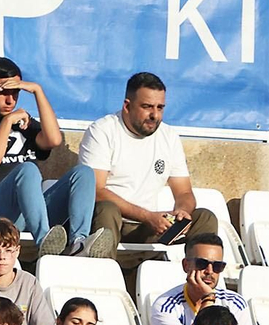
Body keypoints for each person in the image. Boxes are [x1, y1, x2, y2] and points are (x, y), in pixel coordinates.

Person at [0, 56, 106, 259]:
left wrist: (37, 90)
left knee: (84, 173)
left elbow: (53, 140)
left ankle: (79, 243)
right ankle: (44, 239)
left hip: (27, 216)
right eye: (3, 92)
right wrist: (8, 121)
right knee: (27, 169)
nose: (10, 100)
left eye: (15, 92)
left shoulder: (24, 123)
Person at [77, 71, 217, 245]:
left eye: (160, 107)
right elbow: (96, 191)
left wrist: (182, 212)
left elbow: (184, 192)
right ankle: (103, 268)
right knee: (107, 209)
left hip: (149, 226)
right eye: (147, 107)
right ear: (127, 106)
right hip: (112, 222)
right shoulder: (102, 131)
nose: (155, 115)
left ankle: (199, 270)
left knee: (204, 217)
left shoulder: (169, 136)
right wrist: (148, 216)